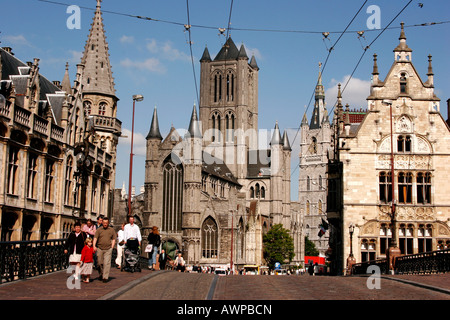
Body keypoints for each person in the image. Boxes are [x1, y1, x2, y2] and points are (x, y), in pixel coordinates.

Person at [93, 217, 116, 283]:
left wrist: (112, 246)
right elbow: (95, 238)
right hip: (100, 248)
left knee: (107, 263)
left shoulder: (111, 230)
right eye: (104, 223)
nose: (105, 224)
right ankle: (101, 274)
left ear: (108, 223)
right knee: (99, 263)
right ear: (102, 223)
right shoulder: (99, 230)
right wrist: (94, 245)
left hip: (108, 249)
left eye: (106, 223)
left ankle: (105, 277)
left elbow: (114, 238)